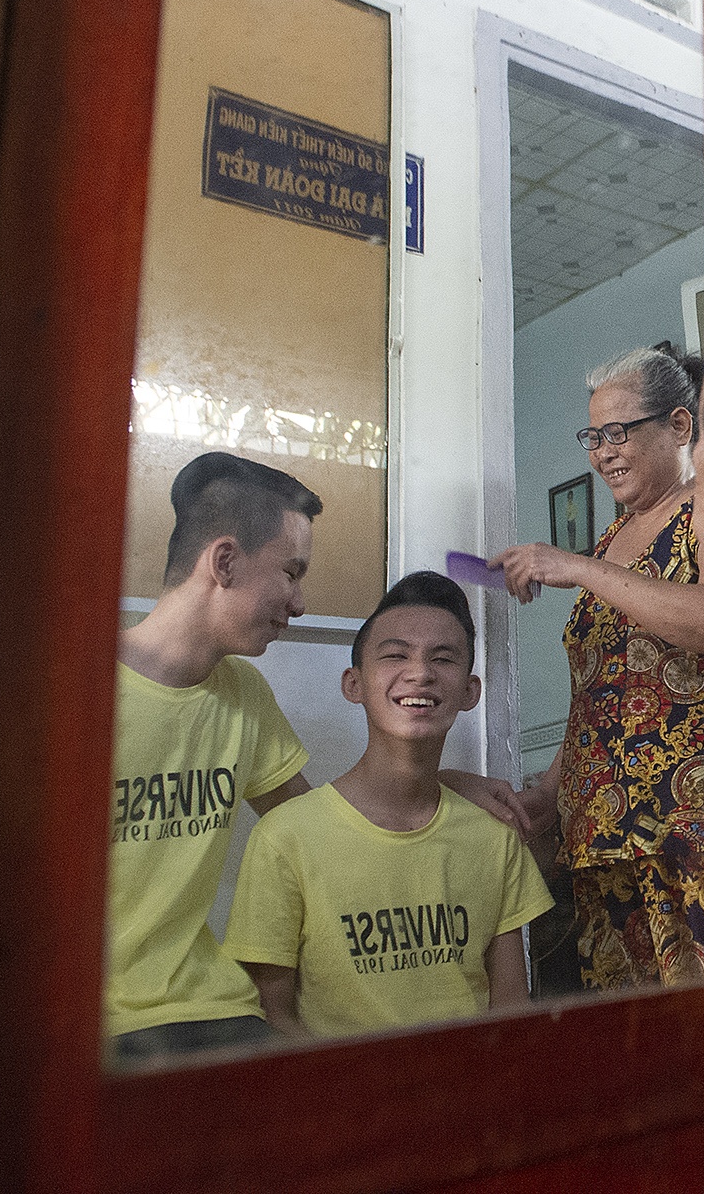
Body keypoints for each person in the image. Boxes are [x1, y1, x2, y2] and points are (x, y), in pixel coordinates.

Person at [108, 452, 524, 1063]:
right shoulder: (78, 692)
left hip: (217, 1009)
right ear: (224, 562)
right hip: (104, 1022)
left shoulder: (244, 696)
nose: (299, 602)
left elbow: (325, 823)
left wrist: (437, 783)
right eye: (291, 572)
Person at [490, 344, 704, 990]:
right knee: (635, 1043)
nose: (603, 453)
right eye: (594, 437)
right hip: (601, 839)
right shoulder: (611, 538)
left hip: (689, 833)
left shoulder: (701, 504)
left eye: (620, 432)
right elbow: (595, 695)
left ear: (679, 427)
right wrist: (548, 788)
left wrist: (577, 567)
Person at [221, 571, 554, 1037]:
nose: (420, 672)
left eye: (443, 658)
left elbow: (510, 1006)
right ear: (353, 684)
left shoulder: (494, 835)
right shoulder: (285, 837)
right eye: (396, 654)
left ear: (469, 692)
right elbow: (272, 1016)